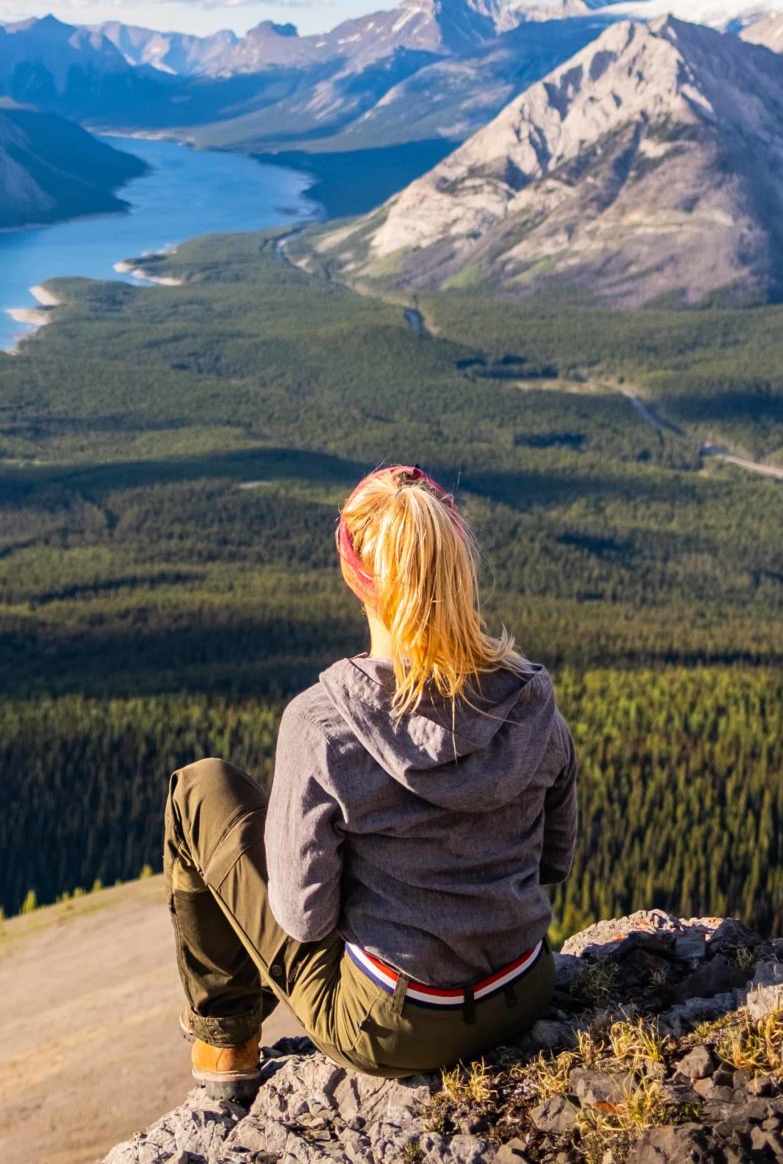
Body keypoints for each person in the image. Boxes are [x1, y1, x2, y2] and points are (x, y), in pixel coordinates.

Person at [163, 461, 577, 1103]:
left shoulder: (323, 724)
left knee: (201, 788)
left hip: (394, 1027)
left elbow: (303, 919)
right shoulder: (531, 700)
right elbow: (554, 860)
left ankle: (227, 1041)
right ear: (458, 567)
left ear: (355, 577)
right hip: (523, 988)